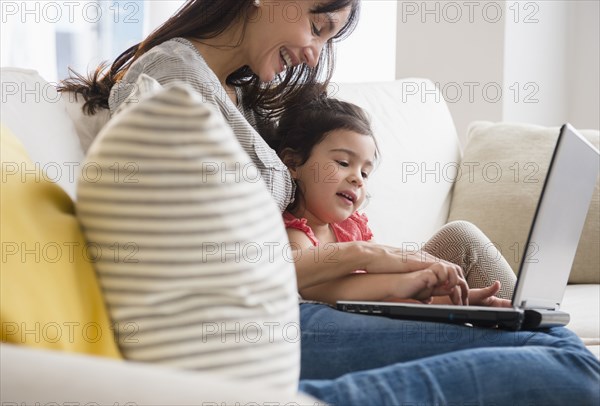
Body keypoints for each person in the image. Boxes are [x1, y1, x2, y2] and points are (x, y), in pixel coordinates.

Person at [59, 0, 600, 404]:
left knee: (546, 338)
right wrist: (391, 260)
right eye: (316, 26)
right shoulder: (168, 80)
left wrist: (403, 287)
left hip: (300, 306)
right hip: (258, 326)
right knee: (569, 365)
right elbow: (211, 262)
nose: (315, 51)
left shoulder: (236, 92)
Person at [273, 95, 515, 307]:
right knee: (461, 235)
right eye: (343, 163)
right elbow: (300, 277)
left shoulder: (351, 227)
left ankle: (528, 312)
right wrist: (368, 254)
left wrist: (467, 300)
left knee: (462, 235)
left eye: (365, 173)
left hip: (386, 306)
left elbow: (395, 293)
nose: (357, 179)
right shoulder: (296, 233)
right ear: (293, 164)